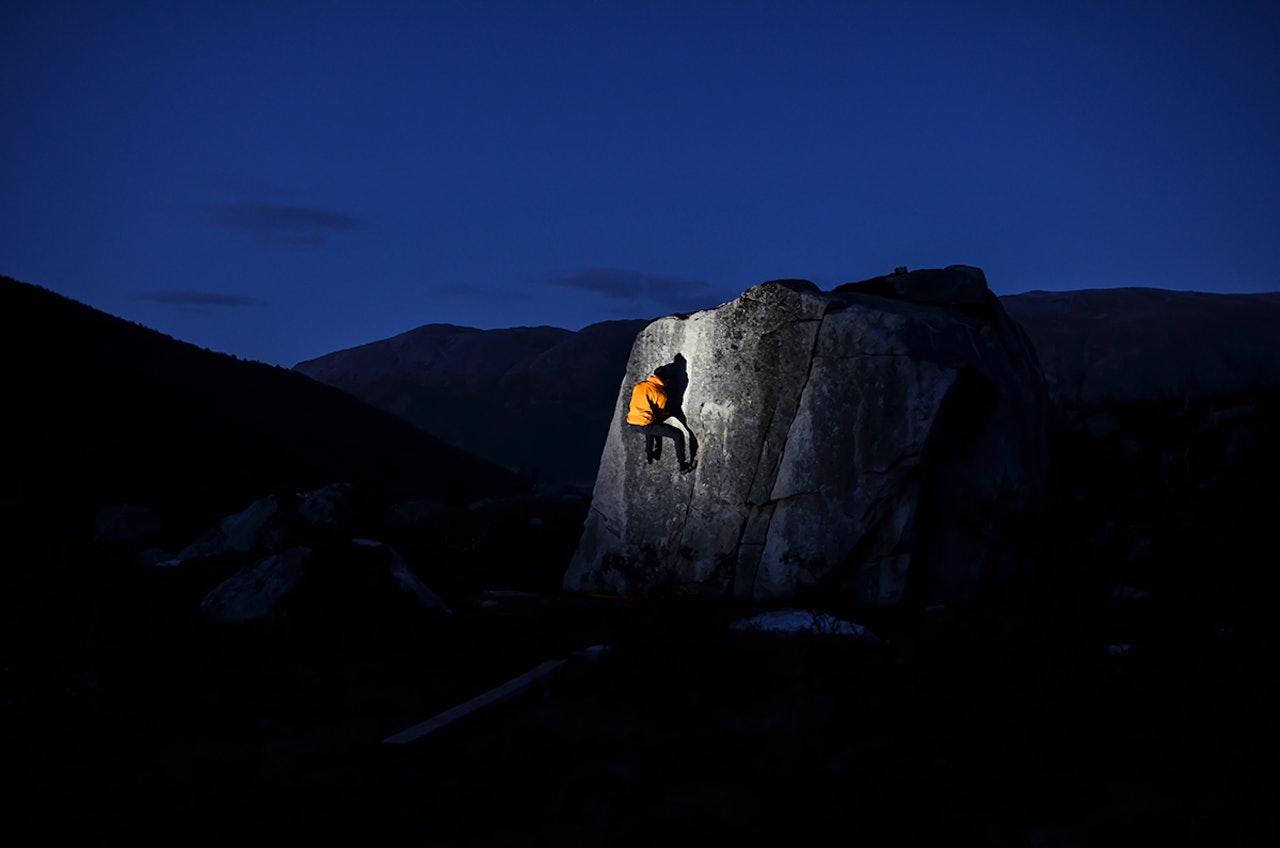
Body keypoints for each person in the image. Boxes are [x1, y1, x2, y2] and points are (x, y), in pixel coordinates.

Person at [627, 370, 696, 473]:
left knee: (651, 427)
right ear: (664, 381)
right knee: (677, 435)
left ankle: (649, 455)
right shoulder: (661, 393)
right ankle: (683, 466)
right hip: (645, 423)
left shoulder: (640, 386)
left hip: (632, 422)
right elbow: (659, 415)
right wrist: (668, 414)